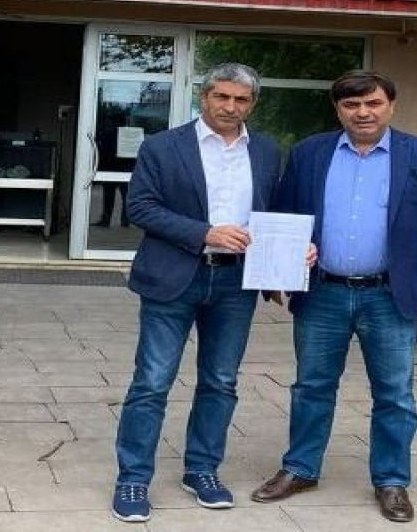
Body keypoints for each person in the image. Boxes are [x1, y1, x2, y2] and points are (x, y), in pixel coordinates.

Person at [251, 70, 417, 524]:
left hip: (390, 294)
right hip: (323, 292)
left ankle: (391, 480)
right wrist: (277, 269)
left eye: (373, 103)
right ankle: (300, 468)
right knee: (311, 386)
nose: (363, 113)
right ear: (338, 109)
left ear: (390, 106)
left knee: (395, 394)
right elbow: (285, 214)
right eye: (351, 105)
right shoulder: (310, 153)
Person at [110, 63, 283, 523]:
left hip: (235, 283)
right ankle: (132, 478)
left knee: (221, 381)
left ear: (252, 104)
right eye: (221, 96)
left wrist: (293, 250)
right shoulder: (163, 146)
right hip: (173, 278)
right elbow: (141, 207)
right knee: (152, 382)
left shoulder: (266, 151)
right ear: (204, 97)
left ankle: (202, 470)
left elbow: (276, 212)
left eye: (241, 99)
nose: (230, 106)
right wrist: (204, 233)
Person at [93, 110, 135, 227]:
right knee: (126, 196)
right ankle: (125, 220)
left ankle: (106, 219)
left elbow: (101, 150)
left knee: (109, 196)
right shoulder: (128, 135)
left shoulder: (107, 133)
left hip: (110, 168)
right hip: (125, 168)